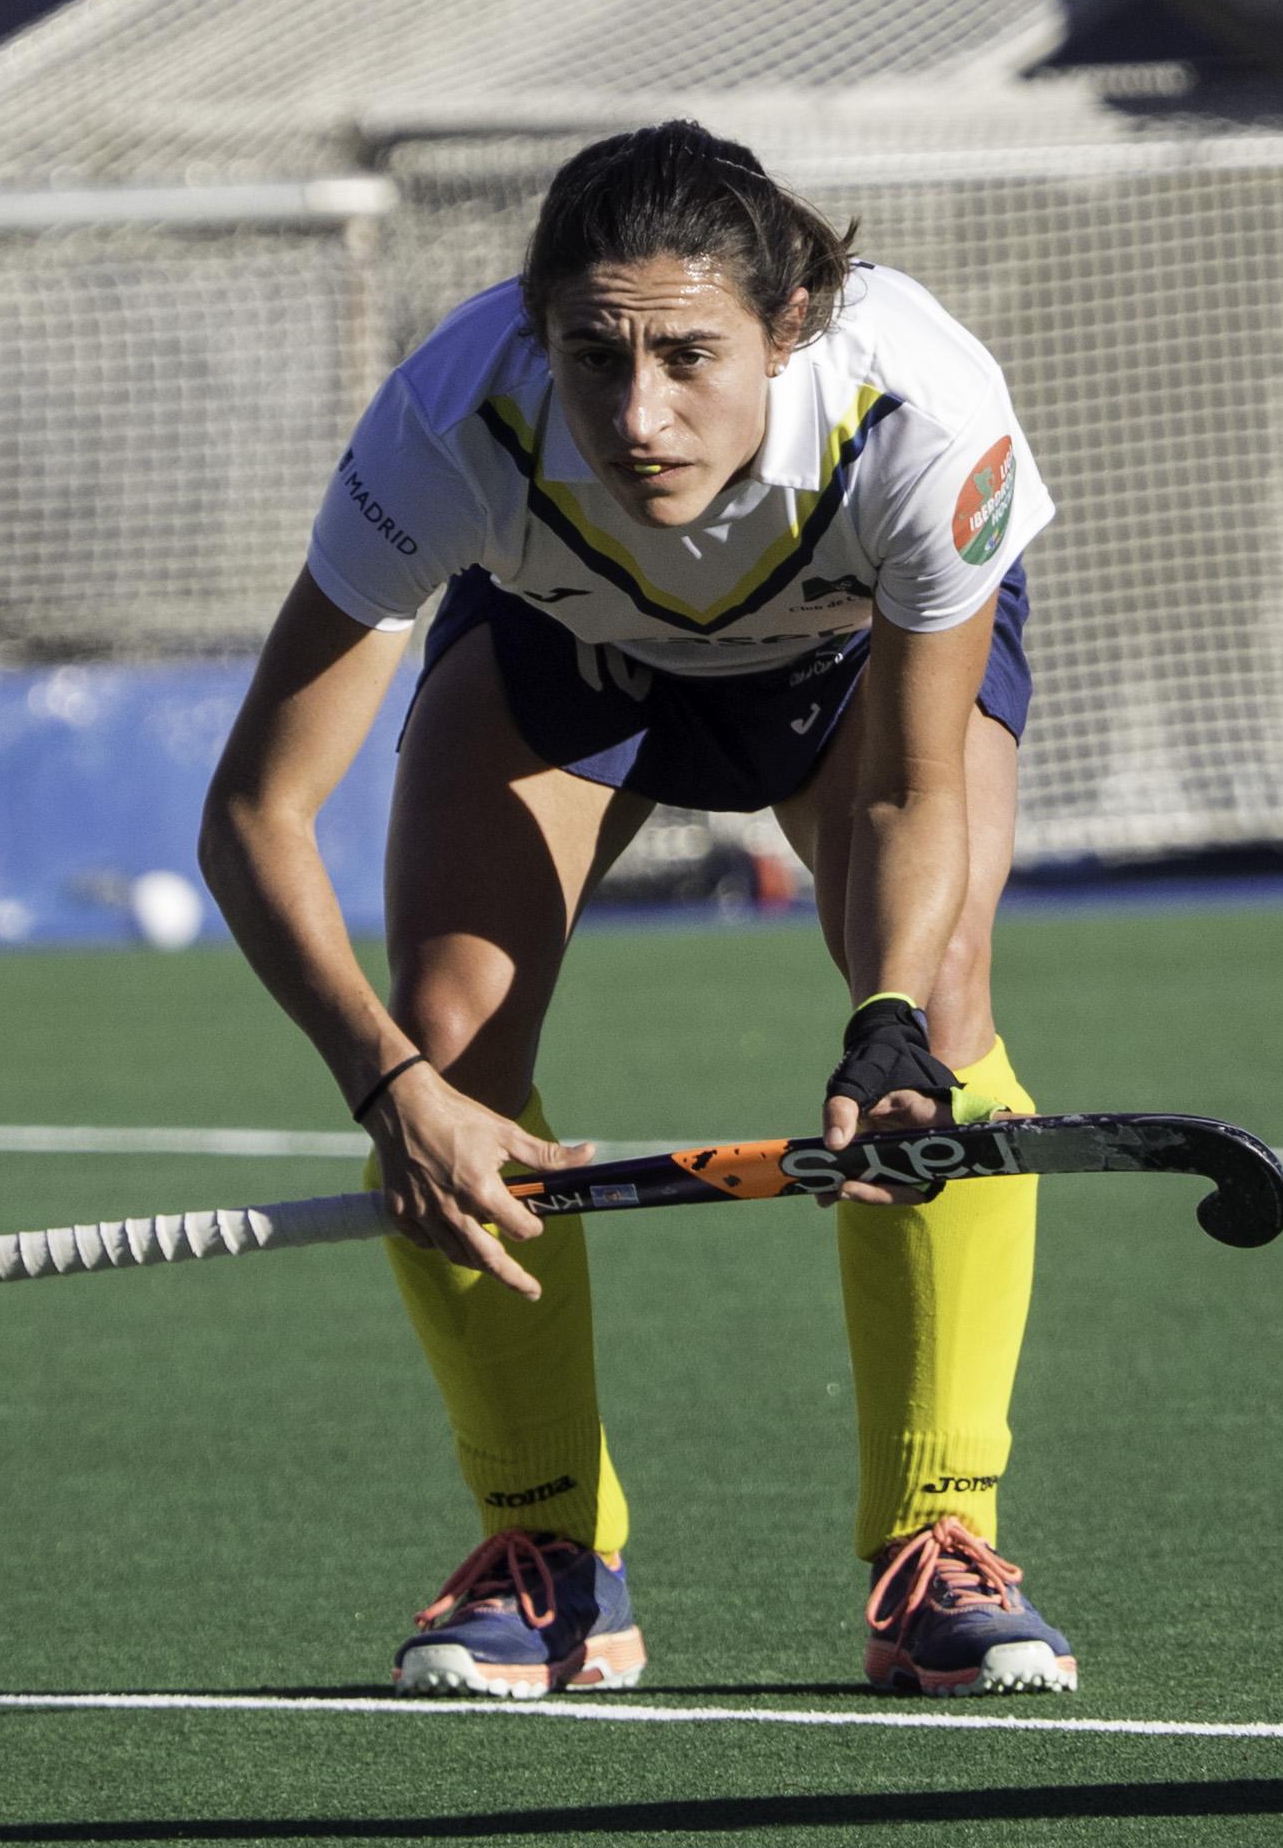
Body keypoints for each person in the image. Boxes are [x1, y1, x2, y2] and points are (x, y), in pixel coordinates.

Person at [199, 119, 1076, 1699]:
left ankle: (935, 1547)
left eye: (689, 355)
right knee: (457, 1051)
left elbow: (907, 793)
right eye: (594, 358)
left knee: (936, 1012)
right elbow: (256, 813)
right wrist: (391, 1092)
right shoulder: (450, 419)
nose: (638, 414)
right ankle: (549, 1563)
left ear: (788, 323)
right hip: (566, 649)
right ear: (539, 335)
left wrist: (881, 1024)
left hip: (845, 672)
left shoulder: (924, 419)